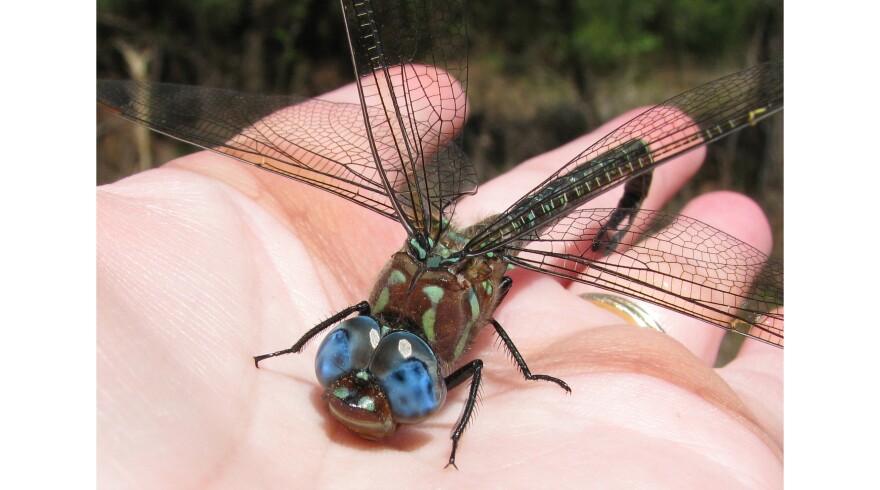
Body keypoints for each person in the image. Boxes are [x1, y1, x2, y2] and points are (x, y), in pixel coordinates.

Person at [97, 79, 782, 487]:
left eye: (394, 381)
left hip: (494, 248)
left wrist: (513, 387)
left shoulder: (466, 319)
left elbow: (482, 350)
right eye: (360, 361)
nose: (357, 386)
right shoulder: (373, 319)